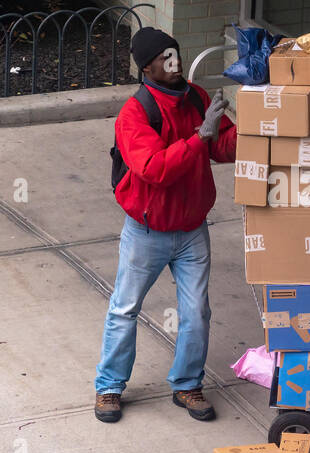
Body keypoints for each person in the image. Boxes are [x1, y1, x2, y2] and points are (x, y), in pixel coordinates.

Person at [93, 27, 237, 423]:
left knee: (196, 313)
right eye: (165, 58)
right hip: (147, 232)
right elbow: (154, 169)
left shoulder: (196, 97)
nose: (174, 62)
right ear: (146, 68)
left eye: (176, 53)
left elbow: (221, 147)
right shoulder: (135, 114)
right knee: (125, 309)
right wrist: (199, 136)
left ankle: (188, 384)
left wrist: (256, 123)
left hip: (192, 229)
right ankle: (109, 388)